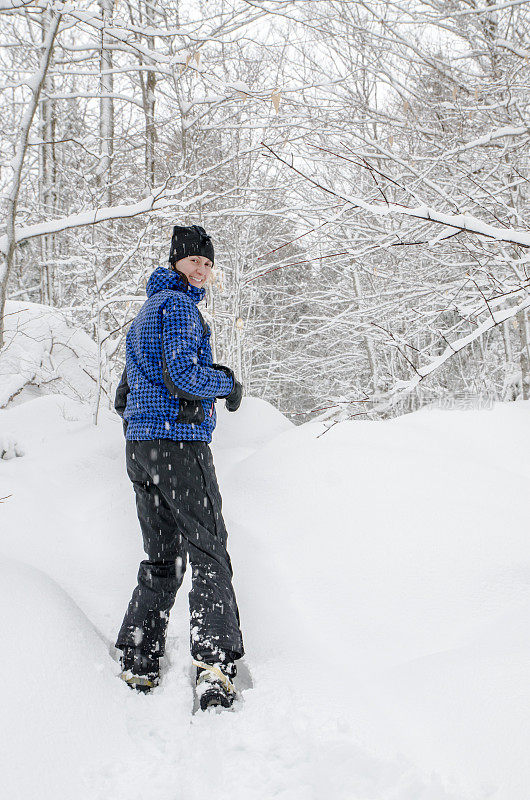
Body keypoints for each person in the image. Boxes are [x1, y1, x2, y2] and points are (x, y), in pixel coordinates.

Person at [114, 224, 244, 710]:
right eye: (194, 261)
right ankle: (215, 668)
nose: (202, 270)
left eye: (208, 264)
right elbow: (184, 374)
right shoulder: (181, 308)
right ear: (176, 262)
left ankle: (139, 657)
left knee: (162, 556)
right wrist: (226, 383)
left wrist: (145, 424)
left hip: (140, 448)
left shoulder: (146, 312)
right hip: (179, 445)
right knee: (209, 550)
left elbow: (124, 393)